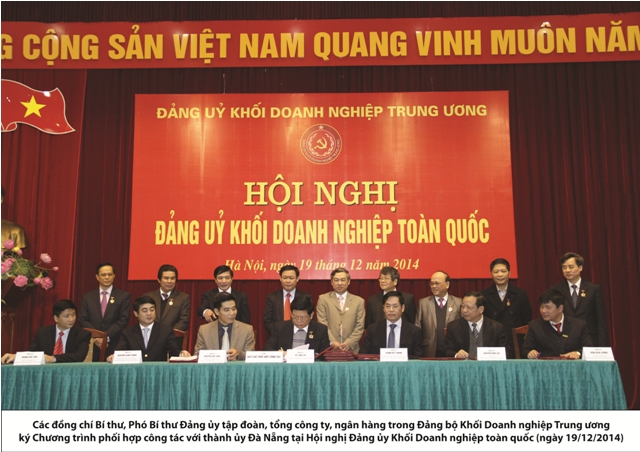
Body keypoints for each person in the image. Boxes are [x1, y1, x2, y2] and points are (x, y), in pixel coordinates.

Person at [1, 299, 91, 364]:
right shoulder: (43, 333)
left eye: (73, 315)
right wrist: (16, 357)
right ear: (56, 318)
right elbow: (31, 352)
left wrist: (53, 359)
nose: (71, 319)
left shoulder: (82, 334)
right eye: (67, 316)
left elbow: (79, 356)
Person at [107, 296, 189, 362]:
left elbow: (175, 351)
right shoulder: (128, 333)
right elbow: (119, 352)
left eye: (152, 310)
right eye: (144, 310)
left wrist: (182, 353)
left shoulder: (165, 331)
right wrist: (113, 356)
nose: (149, 313)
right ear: (136, 313)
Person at [551, 252, 608, 346]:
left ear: (580, 267)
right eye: (564, 267)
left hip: (589, 339)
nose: (567, 270)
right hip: (564, 339)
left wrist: (603, 346)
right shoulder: (556, 289)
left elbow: (600, 319)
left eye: (571, 267)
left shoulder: (593, 289)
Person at [79, 262, 130, 361]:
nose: (107, 277)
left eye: (110, 274)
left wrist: (106, 337)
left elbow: (123, 319)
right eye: (103, 275)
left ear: (114, 276)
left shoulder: (123, 296)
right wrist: (97, 337)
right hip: (93, 343)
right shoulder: (87, 297)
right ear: (97, 277)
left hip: (114, 342)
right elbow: (83, 319)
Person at [481, 258, 532, 358]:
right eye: (496, 272)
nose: (500, 274)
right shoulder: (484, 295)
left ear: (509, 273)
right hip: (493, 341)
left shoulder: (520, 294)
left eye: (503, 271)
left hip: (514, 341)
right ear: (491, 274)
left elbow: (526, 319)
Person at [523, 290, 592, 359]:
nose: (543, 311)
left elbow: (589, 348)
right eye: (542, 306)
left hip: (572, 364)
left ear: (560, 308)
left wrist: (577, 353)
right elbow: (525, 350)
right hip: (546, 365)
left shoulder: (579, 325)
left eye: (548, 307)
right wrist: (530, 352)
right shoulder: (535, 326)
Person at [444, 291, 509, 359]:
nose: (464, 310)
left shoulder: (496, 328)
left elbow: (505, 352)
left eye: (469, 307)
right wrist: (456, 355)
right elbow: (447, 351)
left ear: (481, 309)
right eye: (462, 306)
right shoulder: (453, 327)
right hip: (463, 365)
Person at [194, 292, 255, 361]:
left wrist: (238, 354)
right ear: (217, 312)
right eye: (226, 310)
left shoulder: (247, 330)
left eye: (234, 309)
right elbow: (197, 355)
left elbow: (251, 356)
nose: (232, 313)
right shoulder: (204, 330)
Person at [316, 267, 365, 353]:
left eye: (343, 280)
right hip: (329, 348)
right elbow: (322, 323)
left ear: (348, 282)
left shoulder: (359, 301)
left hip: (351, 350)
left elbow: (360, 326)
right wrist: (333, 342)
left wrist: (349, 343)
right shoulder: (323, 299)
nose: (339, 283)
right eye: (336, 280)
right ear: (332, 282)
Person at [361, 291, 423, 358]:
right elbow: (363, 355)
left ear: (402, 308)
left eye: (395, 306)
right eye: (387, 306)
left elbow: (418, 357)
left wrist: (400, 357)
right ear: (383, 308)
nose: (391, 310)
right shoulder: (372, 329)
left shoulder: (414, 331)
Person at [415, 270, 462, 357]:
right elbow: (418, 327)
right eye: (431, 283)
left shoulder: (459, 302)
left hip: (453, 350)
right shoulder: (423, 303)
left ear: (447, 284)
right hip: (429, 350)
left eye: (437, 283)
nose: (433, 286)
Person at [264, 296, 330, 354]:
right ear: (291, 313)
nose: (299, 320)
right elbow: (267, 350)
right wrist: (280, 354)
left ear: (311, 315)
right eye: (295, 317)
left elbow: (325, 355)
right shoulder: (280, 328)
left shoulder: (320, 330)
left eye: (303, 317)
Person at [263, 264, 312, 337]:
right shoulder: (272, 297)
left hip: (300, 335)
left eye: (291, 278)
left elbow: (308, 318)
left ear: (297, 279)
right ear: (280, 278)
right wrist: (279, 333)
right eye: (285, 278)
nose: (288, 281)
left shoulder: (305, 297)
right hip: (277, 336)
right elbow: (267, 320)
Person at [143, 264, 190, 331]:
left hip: (172, 336)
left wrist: (167, 334)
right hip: (150, 335)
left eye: (172, 278)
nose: (169, 281)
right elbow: (143, 317)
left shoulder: (183, 298)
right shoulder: (148, 296)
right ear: (159, 280)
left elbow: (183, 322)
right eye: (166, 278)